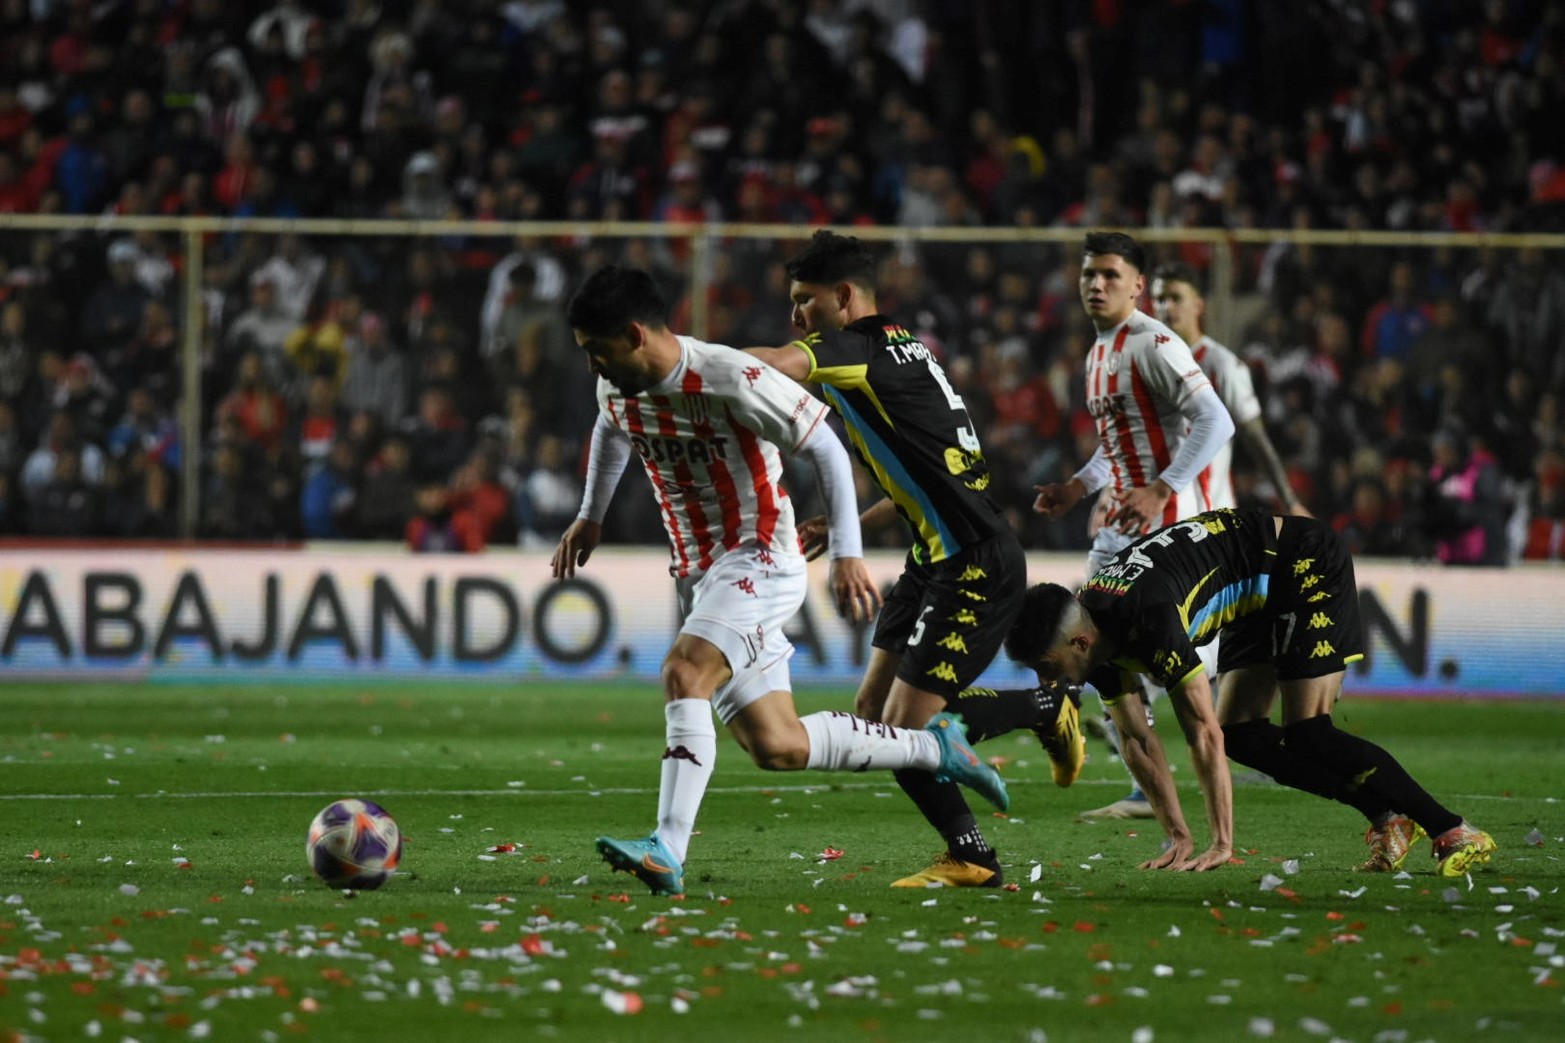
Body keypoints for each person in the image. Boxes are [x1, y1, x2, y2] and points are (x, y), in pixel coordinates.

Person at [551, 264, 1009, 897]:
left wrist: (848, 551)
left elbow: (825, 447)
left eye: (598, 352)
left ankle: (666, 848)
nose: (594, 368)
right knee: (778, 744)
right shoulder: (617, 387)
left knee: (684, 672)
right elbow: (611, 429)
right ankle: (936, 750)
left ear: (634, 335)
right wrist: (589, 517)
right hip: (700, 571)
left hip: (759, 554)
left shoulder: (727, 376)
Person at [746, 230, 1084, 889]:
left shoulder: (859, 349)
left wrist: (682, 363)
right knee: (875, 723)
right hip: (933, 559)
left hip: (975, 564)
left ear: (843, 298)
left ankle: (1046, 708)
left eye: (803, 301)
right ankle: (970, 852)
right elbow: (932, 476)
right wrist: (851, 522)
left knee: (908, 728)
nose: (795, 318)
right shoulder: (906, 351)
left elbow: (768, 363)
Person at [1005, 508, 1497, 877]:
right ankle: (1386, 817)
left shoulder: (1147, 619)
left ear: (1079, 642)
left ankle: (1452, 829)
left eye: (1047, 668)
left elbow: (1201, 734)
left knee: (1310, 733)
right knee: (1243, 736)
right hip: (1253, 597)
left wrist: (1221, 842)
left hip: (1300, 562)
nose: (1048, 682)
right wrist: (1177, 833)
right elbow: (1136, 740)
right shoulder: (1093, 640)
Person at [1033, 231, 1235, 821]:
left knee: (1173, 663)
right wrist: (1077, 486)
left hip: (1167, 530)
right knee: (1092, 651)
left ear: (1138, 285)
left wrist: (1161, 488)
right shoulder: (1100, 350)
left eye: (1111, 275)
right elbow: (1114, 448)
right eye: (1089, 274)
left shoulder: (1154, 342)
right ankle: (1144, 789)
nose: (1096, 284)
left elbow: (1215, 421)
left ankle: (1194, 781)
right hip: (1118, 527)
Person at [1150, 262, 1311, 517]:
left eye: (1176, 298)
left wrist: (1290, 503)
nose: (1166, 306)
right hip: (1155, 519)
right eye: (1159, 299)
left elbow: (1257, 441)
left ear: (1198, 306)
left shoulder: (1222, 366)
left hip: (1207, 520)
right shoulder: (1145, 365)